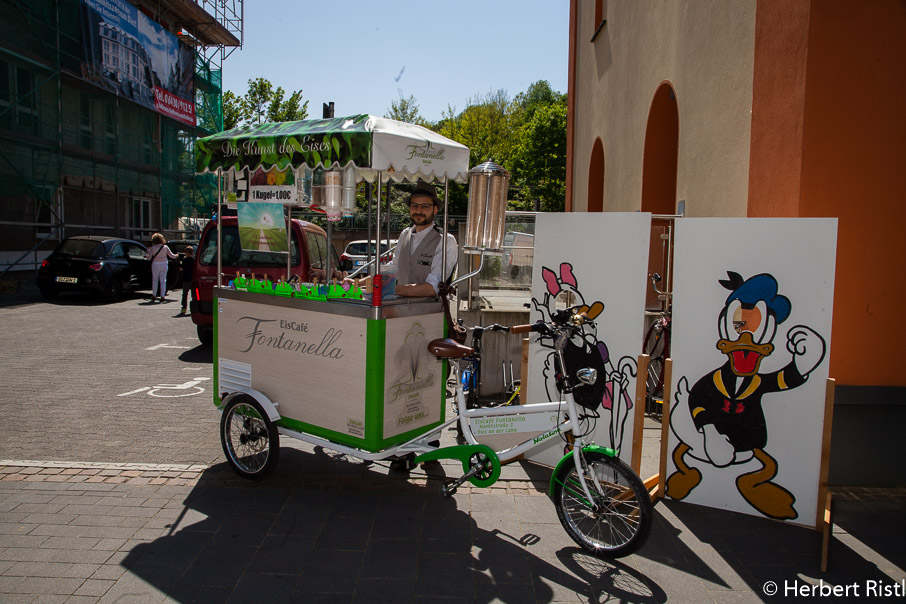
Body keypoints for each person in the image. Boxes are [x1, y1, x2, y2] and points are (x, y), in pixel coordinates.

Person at [387, 182, 458, 297]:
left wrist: (390, 290)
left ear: (435, 210)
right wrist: (359, 282)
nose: (418, 211)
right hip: (399, 309)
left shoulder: (446, 241)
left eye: (425, 206)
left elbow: (433, 288)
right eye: (414, 205)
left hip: (429, 311)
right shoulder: (405, 234)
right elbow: (393, 269)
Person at [145, 233, 178, 303]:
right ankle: (162, 296)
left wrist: (146, 256)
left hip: (155, 264)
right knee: (163, 280)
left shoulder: (153, 248)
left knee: (155, 280)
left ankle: (154, 295)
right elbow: (172, 256)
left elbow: (149, 258)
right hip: (164, 264)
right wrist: (177, 255)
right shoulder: (165, 247)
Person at [180, 245, 194, 314]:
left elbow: (181, 268)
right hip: (192, 279)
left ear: (186, 252)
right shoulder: (193, 260)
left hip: (186, 279)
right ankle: (193, 309)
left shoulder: (185, 260)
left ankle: (184, 308)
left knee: (185, 294)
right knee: (193, 295)